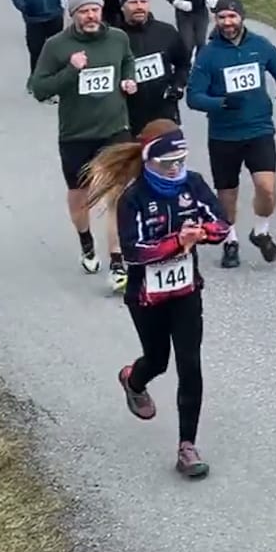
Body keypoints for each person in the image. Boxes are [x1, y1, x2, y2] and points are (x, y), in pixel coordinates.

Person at [87, 121, 229, 479]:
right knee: (158, 360)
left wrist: (203, 233)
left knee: (190, 363)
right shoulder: (132, 198)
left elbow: (222, 224)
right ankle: (133, 379)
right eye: (167, 162)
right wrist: (178, 243)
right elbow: (134, 253)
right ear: (149, 160)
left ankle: (187, 446)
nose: (174, 169)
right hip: (146, 298)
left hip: (185, 293)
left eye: (180, 160)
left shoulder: (193, 185)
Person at [27, 0, 136, 289]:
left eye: (95, 10)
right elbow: (39, 88)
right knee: (79, 197)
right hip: (76, 134)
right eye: (84, 11)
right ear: (73, 14)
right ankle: (86, 242)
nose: (90, 16)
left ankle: (118, 263)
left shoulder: (117, 38)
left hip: (115, 130)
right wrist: (71, 71)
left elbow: (127, 59)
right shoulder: (56, 46)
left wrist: (129, 78)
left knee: (117, 194)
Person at [185, 0, 276, 269]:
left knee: (267, 189)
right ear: (215, 20)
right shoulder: (209, 54)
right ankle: (230, 240)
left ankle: (260, 231)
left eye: (232, 17)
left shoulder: (259, 45)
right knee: (227, 195)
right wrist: (220, 103)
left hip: (259, 128)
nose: (227, 23)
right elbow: (193, 97)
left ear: (241, 18)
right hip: (224, 135)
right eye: (221, 17)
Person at [120, 0, 191, 137]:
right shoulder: (116, 37)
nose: (139, 7)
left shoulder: (166, 31)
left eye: (143, 1)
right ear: (122, 7)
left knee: (167, 158)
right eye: (133, 2)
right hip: (130, 116)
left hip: (164, 112)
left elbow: (183, 64)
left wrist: (178, 85)